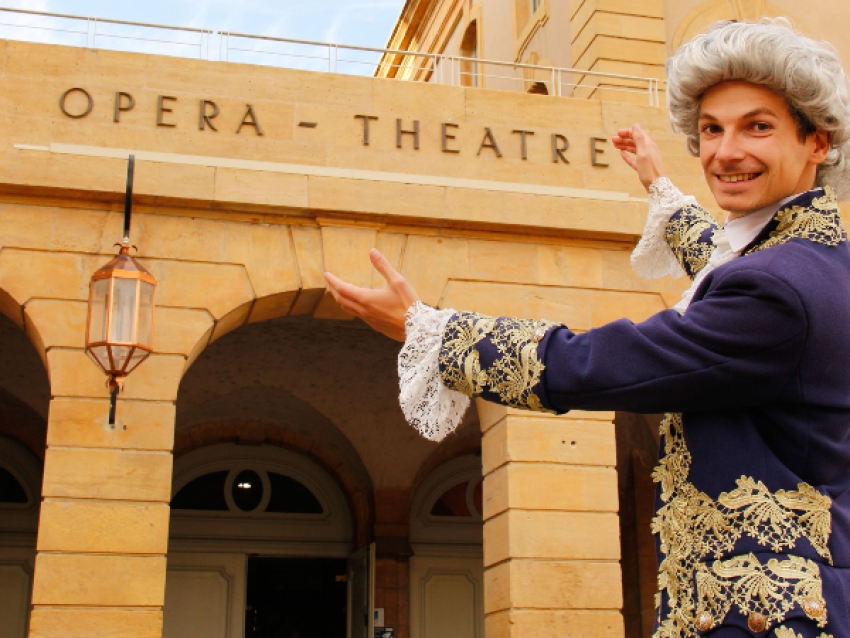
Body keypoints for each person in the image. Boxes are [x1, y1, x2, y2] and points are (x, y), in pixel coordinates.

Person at [324, 19, 850, 638]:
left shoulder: (776, 290)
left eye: (757, 126)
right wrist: (658, 183)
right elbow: (720, 258)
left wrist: (434, 334)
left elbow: (600, 363)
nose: (725, 152)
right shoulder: (808, 258)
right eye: (711, 130)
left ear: (819, 141)